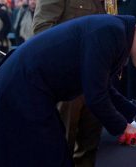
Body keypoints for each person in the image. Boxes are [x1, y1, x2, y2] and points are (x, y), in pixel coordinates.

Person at [0, 14, 136, 166]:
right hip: (21, 89)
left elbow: (103, 88)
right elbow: (95, 97)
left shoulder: (118, 33)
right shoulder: (111, 33)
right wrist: (127, 129)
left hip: (30, 88)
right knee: (44, 158)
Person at [32, 1, 106, 166]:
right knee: (61, 147)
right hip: (68, 82)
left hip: (97, 81)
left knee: (90, 150)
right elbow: (41, 31)